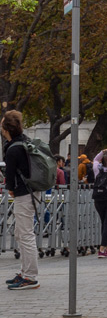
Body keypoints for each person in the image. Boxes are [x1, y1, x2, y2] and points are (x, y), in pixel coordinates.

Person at [2, 111, 40, 290]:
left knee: (25, 235)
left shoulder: (13, 149)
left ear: (6, 128)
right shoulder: (24, 141)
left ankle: (30, 276)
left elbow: (10, 175)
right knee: (21, 233)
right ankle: (25, 272)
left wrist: (10, 188)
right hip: (32, 191)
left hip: (23, 194)